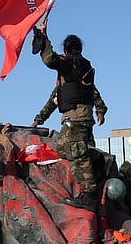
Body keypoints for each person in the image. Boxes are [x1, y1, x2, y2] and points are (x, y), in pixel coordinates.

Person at [34, 24, 105, 211]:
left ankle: (89, 195)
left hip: (75, 118)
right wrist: (100, 110)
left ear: (66, 49)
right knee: (63, 148)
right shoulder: (81, 69)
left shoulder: (72, 64)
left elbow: (50, 59)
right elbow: (55, 100)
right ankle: (96, 163)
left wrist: (44, 38)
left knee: (78, 155)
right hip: (80, 117)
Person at [30, 85, 107, 134]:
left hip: (84, 121)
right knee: (64, 149)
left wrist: (100, 112)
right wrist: (38, 120)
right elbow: (50, 105)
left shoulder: (86, 83)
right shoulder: (61, 86)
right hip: (70, 122)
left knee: (80, 150)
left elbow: (97, 100)